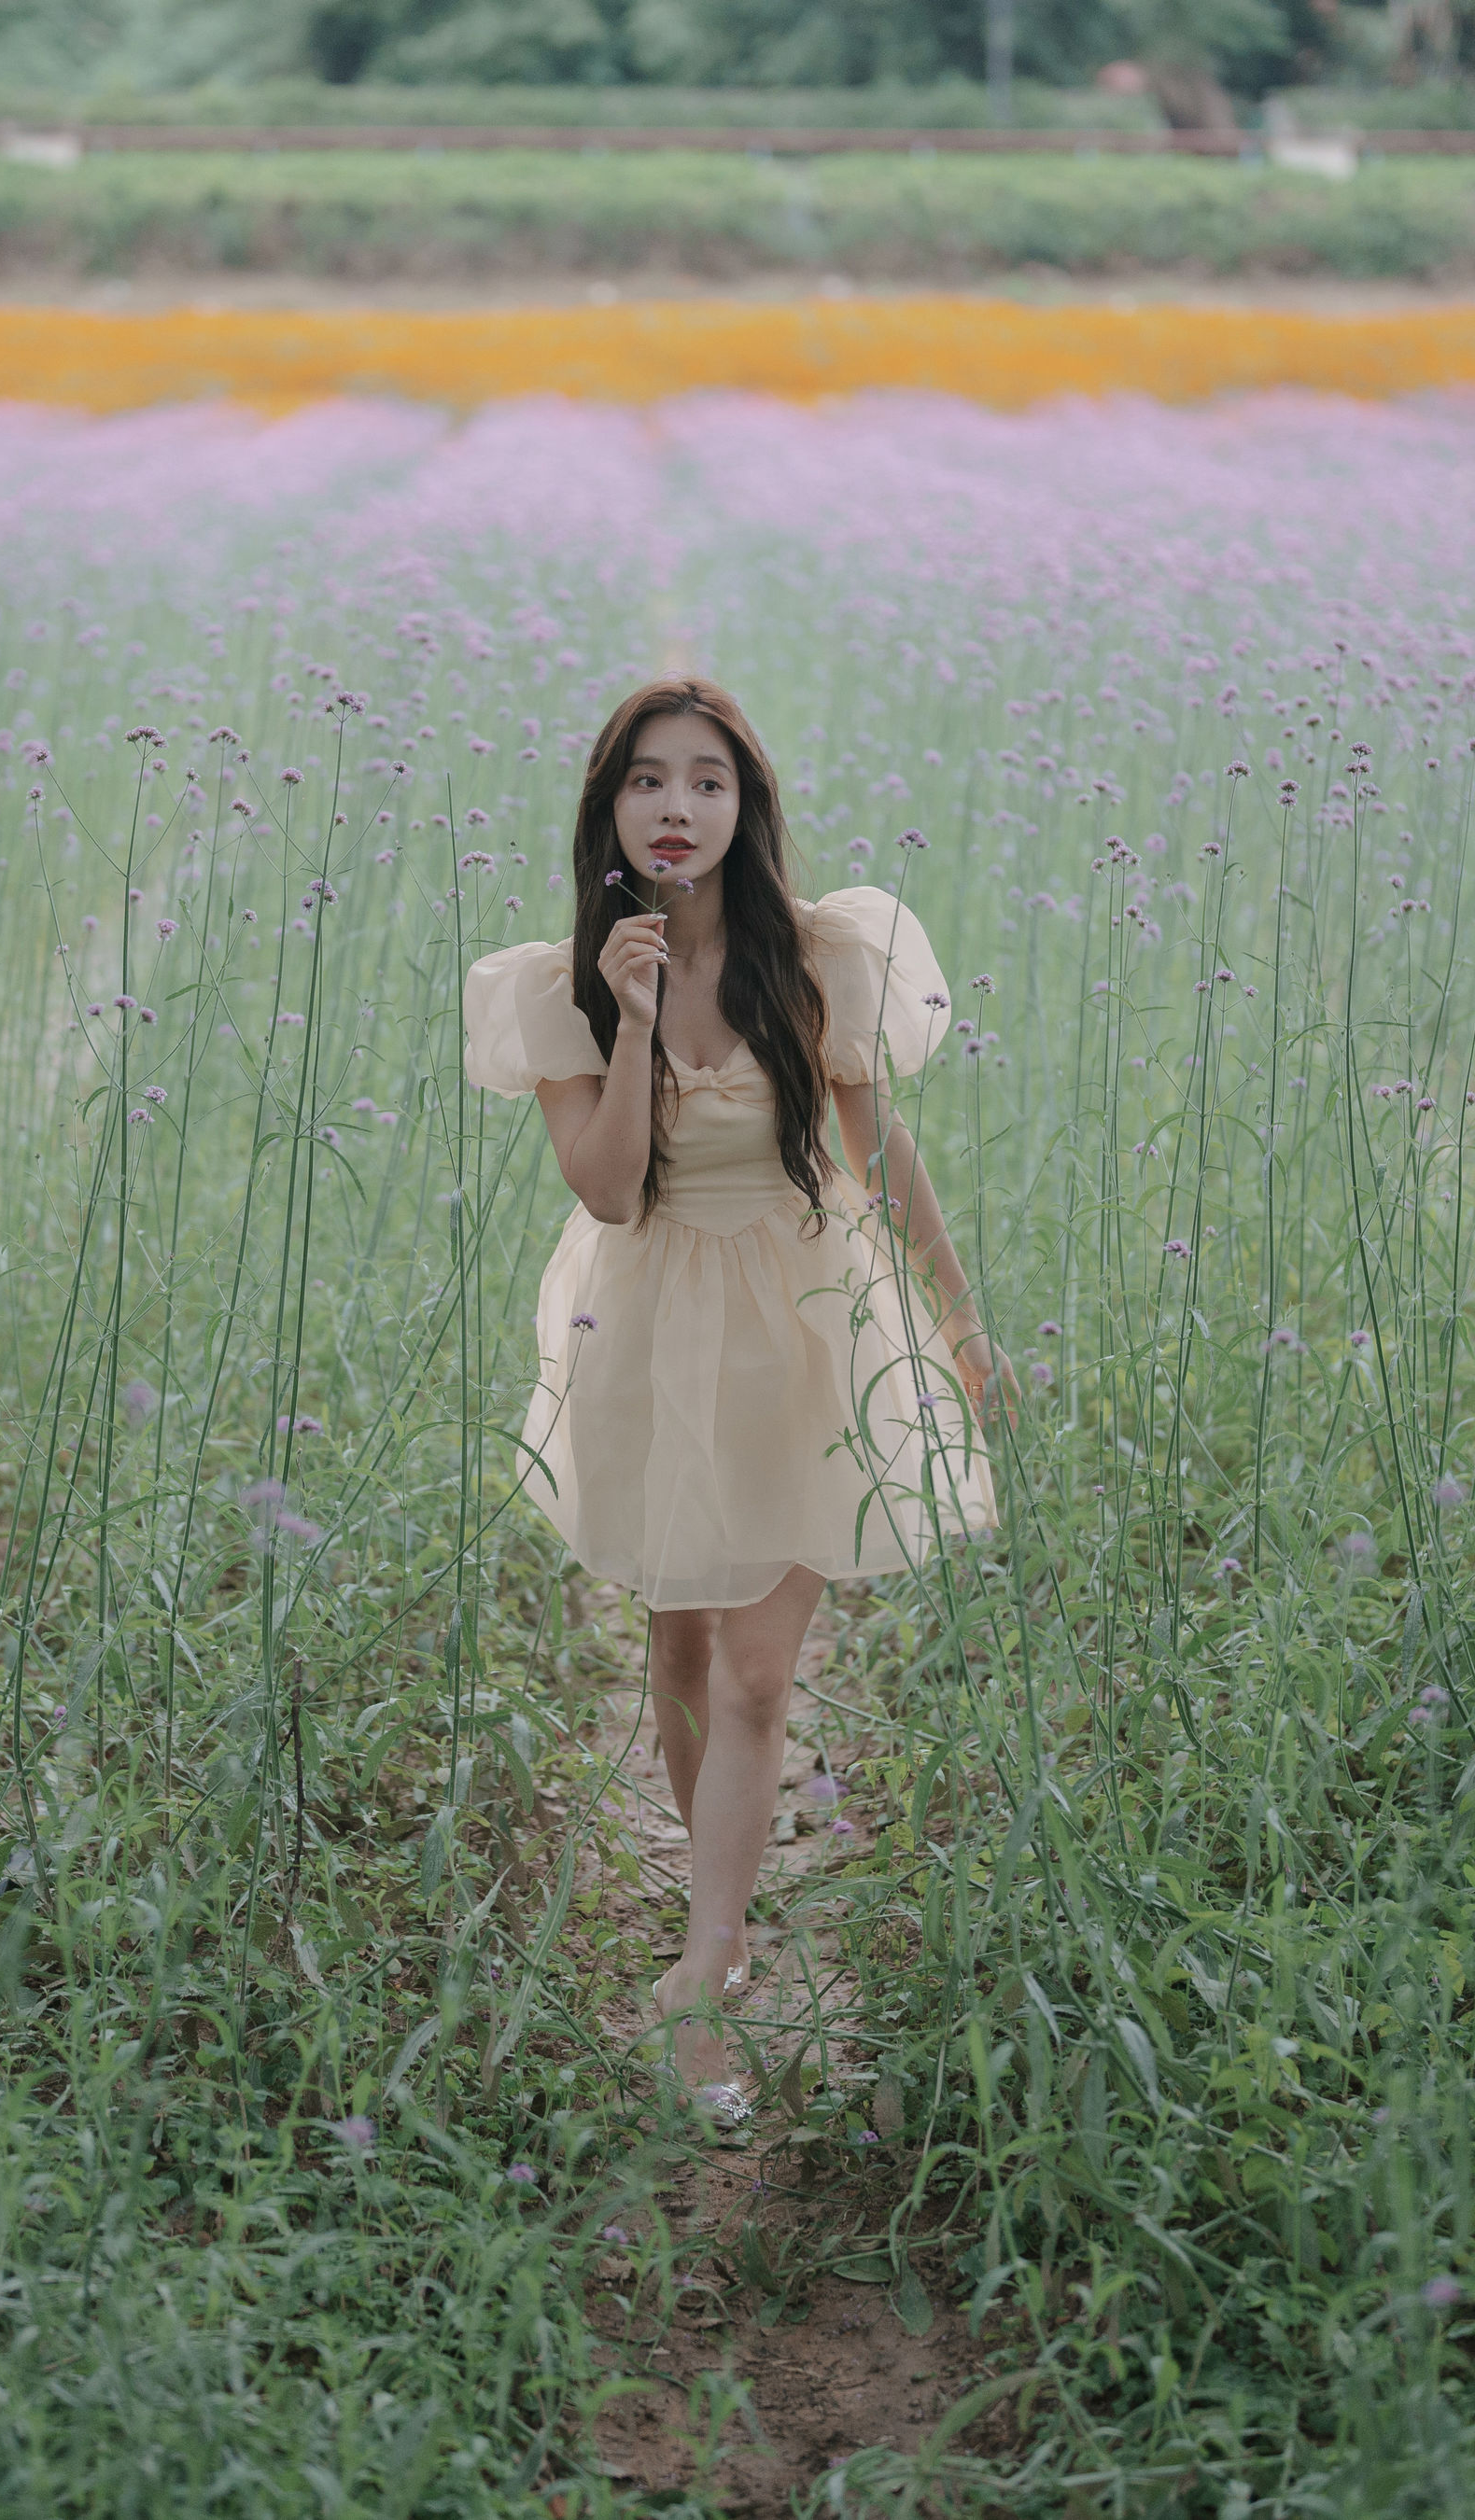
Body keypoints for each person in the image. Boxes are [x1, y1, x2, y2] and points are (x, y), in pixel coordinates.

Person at [460, 675, 1004, 2132]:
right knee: (682, 1652)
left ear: (743, 805)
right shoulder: (559, 983)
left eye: (706, 781)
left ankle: (706, 1955)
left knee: (762, 1670)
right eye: (647, 781)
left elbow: (884, 1158)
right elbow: (608, 1187)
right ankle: (730, 1914)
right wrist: (634, 1018)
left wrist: (960, 1323)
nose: (676, 808)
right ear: (609, 809)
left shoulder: (819, 955)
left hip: (808, 1316)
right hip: (645, 1324)